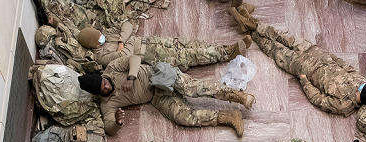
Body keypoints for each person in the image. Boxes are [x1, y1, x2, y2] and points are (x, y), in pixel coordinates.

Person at [228, 3, 366, 116]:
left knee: (275, 49)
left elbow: (318, 99)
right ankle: (252, 23)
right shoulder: (361, 80)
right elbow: (346, 65)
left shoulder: (344, 105)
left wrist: (304, 80)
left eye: (361, 90)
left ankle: (251, 31)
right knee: (283, 36)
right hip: (316, 54)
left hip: (304, 68)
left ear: (361, 99)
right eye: (363, 85)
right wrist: (329, 55)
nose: (360, 86)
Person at [78, 58, 253, 137]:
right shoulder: (107, 103)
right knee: (183, 117)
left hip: (156, 75)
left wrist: (131, 77)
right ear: (98, 94)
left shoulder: (113, 68)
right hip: (155, 97)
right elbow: (109, 127)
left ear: (102, 76)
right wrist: (116, 122)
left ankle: (237, 95)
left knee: (192, 88)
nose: (107, 87)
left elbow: (134, 59)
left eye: (104, 82)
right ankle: (228, 117)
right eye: (103, 89)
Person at [74, 21, 251, 70]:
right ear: (94, 44)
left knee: (183, 43)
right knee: (186, 56)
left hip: (147, 41)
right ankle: (225, 53)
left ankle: (221, 48)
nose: (103, 35)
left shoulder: (108, 35)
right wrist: (127, 43)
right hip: (145, 55)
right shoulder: (101, 55)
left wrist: (121, 41)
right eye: (99, 37)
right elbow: (123, 57)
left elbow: (127, 25)